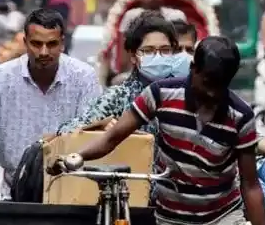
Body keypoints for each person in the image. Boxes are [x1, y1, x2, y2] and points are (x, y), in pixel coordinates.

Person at [49, 36, 265, 225]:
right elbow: (112, 138)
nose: (213, 94)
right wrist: (76, 157)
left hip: (223, 215)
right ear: (193, 69)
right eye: (206, 84)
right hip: (175, 216)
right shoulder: (160, 94)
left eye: (220, 87)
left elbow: (250, 186)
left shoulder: (240, 116)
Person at [0, 9, 101, 220]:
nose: (43, 52)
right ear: (25, 42)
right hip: (16, 190)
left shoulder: (84, 77)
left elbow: (96, 135)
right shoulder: (1, 78)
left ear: (62, 44)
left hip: (72, 187)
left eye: (51, 44)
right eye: (36, 44)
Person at [57, 13, 186, 134]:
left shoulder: (185, 96)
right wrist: (99, 126)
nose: (158, 56)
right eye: (148, 51)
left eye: (165, 50)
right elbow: (66, 131)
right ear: (133, 56)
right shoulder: (119, 98)